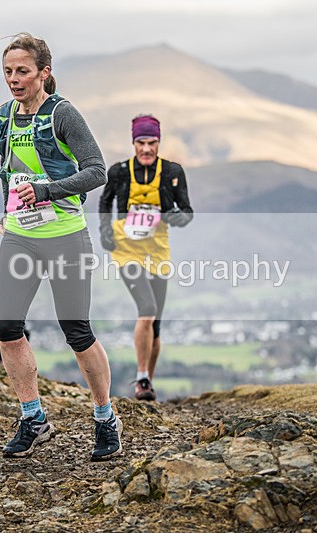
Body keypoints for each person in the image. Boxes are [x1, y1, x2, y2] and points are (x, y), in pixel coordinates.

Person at [0, 32, 122, 461]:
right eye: (8, 71)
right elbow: (10, 172)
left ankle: (105, 419)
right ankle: (33, 418)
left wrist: (46, 191)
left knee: (76, 330)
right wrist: (7, 211)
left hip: (65, 235)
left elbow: (97, 172)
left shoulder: (63, 115)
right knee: (7, 327)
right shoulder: (3, 116)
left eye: (23, 71)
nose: (14, 79)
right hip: (21, 236)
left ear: (44, 72)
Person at [98, 114, 193, 401]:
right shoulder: (119, 172)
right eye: (141, 143)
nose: (147, 149)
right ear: (133, 143)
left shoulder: (172, 172)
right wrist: (105, 230)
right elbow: (105, 201)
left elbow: (187, 211)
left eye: (152, 142)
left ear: (159, 142)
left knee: (157, 322)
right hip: (127, 250)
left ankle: (147, 382)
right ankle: (140, 378)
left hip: (158, 250)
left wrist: (177, 217)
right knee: (147, 309)